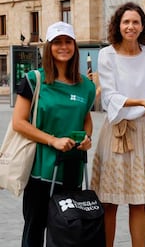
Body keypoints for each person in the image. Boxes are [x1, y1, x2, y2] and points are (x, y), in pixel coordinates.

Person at [12, 21, 96, 247]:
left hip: (71, 170)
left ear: (75, 47)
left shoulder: (86, 86)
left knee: (67, 233)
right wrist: (53, 140)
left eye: (68, 42)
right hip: (40, 170)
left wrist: (87, 139)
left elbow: (86, 119)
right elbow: (18, 123)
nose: (63, 47)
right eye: (57, 42)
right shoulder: (34, 80)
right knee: (35, 230)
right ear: (48, 47)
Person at [90, 2, 145, 247]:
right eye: (126, 22)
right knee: (109, 202)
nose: (131, 27)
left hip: (143, 131)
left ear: (142, 26)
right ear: (118, 25)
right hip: (116, 132)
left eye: (136, 22)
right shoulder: (106, 54)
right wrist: (141, 102)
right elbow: (110, 96)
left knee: (138, 200)